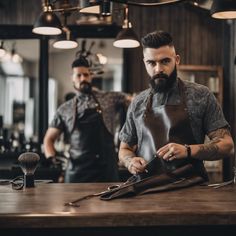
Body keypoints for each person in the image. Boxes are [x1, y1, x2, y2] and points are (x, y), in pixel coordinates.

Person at [118, 30, 234, 180]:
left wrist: (188, 150)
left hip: (191, 189)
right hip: (147, 189)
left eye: (165, 61)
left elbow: (227, 145)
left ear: (177, 60)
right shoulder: (138, 102)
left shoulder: (200, 95)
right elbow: (125, 149)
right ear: (144, 63)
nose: (158, 69)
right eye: (151, 63)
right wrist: (130, 162)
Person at [44, 56, 131, 183]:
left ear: (91, 76)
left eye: (86, 74)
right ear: (72, 78)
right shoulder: (65, 109)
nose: (83, 78)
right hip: (76, 174)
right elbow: (48, 139)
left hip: (106, 172)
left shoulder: (110, 99)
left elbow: (134, 101)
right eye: (78, 75)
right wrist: (52, 159)